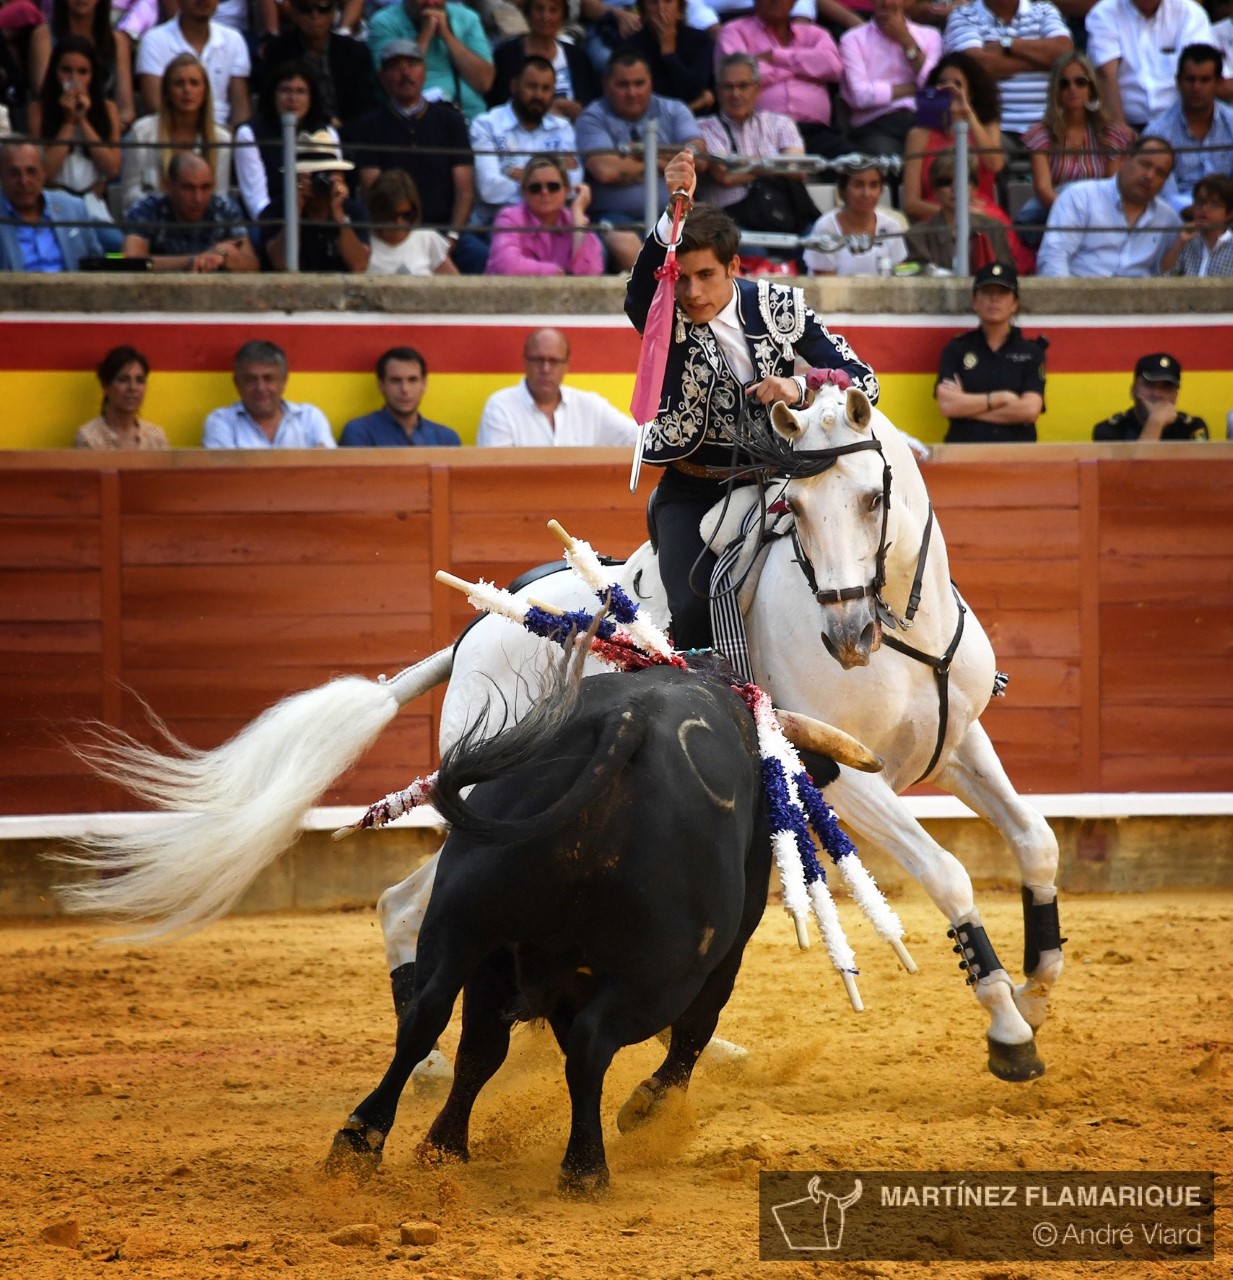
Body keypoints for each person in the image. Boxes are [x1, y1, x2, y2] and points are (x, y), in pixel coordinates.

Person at [624, 149, 879, 650]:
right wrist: (672, 213)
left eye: (706, 277)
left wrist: (803, 388)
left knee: (852, 564)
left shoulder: (779, 306)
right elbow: (639, 290)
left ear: (734, 267)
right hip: (692, 489)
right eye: (683, 279)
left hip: (776, 483)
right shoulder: (663, 316)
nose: (692, 293)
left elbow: (863, 381)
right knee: (691, 605)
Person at [342, 40, 475, 256]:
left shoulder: (451, 121)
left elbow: (465, 190)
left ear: (424, 71)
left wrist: (453, 237)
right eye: (395, 67)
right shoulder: (370, 126)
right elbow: (371, 190)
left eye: (412, 65)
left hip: (445, 231)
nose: (405, 74)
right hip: (394, 232)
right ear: (382, 77)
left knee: (478, 256)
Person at [574, 49, 703, 270]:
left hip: (677, 210)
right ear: (606, 84)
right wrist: (670, 164)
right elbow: (606, 170)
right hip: (616, 218)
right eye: (622, 85)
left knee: (728, 243)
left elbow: (699, 157)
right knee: (626, 245)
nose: (632, 92)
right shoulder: (592, 117)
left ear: (650, 82)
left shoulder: (674, 109)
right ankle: (655, 301)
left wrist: (643, 155)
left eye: (639, 83)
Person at [695, 52, 816, 239]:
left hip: (787, 216)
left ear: (757, 89)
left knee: (822, 239)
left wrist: (745, 166)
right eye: (728, 87)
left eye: (743, 86)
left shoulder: (780, 123)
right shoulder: (703, 127)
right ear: (718, 91)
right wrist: (776, 165)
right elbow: (725, 174)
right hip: (730, 224)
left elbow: (798, 168)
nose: (736, 94)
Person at [1019, 51, 1135, 236]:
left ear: (1091, 88)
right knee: (1070, 191)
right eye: (1064, 84)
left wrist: (1090, 218)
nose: (1072, 89)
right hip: (1055, 216)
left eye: (1080, 82)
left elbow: (1111, 188)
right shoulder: (1041, 134)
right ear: (1056, 91)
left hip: (1099, 217)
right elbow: (1043, 190)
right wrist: (1075, 215)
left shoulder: (1110, 134)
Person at [714, 0, 846, 157]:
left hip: (815, 131)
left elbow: (834, 67)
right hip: (758, 132)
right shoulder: (733, 32)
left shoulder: (815, 33)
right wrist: (806, 68)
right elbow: (739, 76)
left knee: (856, 168)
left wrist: (775, 56)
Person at [1037, 134, 1182, 276]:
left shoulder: (1168, 219)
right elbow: (1053, 256)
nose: (1150, 176)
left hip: (1139, 298)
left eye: (1160, 173)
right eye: (1145, 164)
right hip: (1080, 295)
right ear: (1125, 159)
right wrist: (1065, 299)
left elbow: (1168, 271)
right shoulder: (1081, 196)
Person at [934, 261, 1046, 443]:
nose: (994, 299)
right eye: (987, 292)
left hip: (1018, 455)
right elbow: (947, 406)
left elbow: (1029, 410)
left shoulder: (1031, 352)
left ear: (1015, 303)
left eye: (1002, 293)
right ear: (974, 301)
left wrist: (968, 410)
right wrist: (1000, 398)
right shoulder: (956, 348)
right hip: (963, 454)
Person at [31, 36, 121, 250]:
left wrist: (83, 120)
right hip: (54, 207)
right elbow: (46, 172)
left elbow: (112, 168)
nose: (74, 79)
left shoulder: (108, 110)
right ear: (54, 72)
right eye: (66, 71)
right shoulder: (38, 110)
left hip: (94, 208)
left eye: (83, 72)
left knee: (118, 250)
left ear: (93, 75)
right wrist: (69, 122)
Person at [476, 327, 638, 446]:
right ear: (525, 361)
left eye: (554, 361)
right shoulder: (500, 407)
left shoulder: (589, 406)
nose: (546, 369)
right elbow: (497, 473)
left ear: (566, 365)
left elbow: (636, 437)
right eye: (538, 360)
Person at [470, 54, 580, 224]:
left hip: (549, 225)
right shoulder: (486, 125)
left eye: (546, 88)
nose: (538, 95)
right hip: (494, 225)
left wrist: (515, 173)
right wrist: (550, 182)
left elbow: (573, 187)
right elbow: (489, 189)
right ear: (514, 86)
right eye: (532, 86)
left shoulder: (562, 128)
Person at [941, 0, 1073, 141]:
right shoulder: (963, 15)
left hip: (1048, 128)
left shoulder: (1044, 10)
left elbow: (1065, 52)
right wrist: (1043, 61)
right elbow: (976, 67)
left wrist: (1009, 43)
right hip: (994, 130)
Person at [901, 53, 1007, 223]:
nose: (949, 89)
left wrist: (968, 114)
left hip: (983, 215)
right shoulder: (919, 135)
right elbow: (911, 204)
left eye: (957, 84)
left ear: (971, 92)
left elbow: (995, 165)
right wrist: (956, 212)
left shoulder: (987, 126)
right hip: (936, 219)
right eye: (942, 83)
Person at [121, 53, 232, 213]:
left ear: (205, 91)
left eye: (194, 83)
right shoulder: (142, 132)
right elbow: (129, 196)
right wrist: (170, 209)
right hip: (152, 225)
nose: (187, 90)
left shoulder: (221, 139)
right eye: (179, 83)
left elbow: (220, 197)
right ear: (167, 91)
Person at [1085, 0, 1215, 131]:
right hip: (1127, 123)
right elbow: (1105, 74)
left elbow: (1201, 70)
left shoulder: (1190, 13)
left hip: (1181, 123)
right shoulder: (1103, 13)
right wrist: (1119, 129)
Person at [123, 150, 259, 272]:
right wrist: (193, 260)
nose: (198, 198)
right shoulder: (146, 210)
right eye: (188, 188)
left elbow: (252, 265)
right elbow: (131, 261)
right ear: (168, 186)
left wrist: (224, 255)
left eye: (205, 187)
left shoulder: (225, 209)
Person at [840, 0, 943, 159]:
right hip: (877, 125)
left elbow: (934, 88)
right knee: (884, 161)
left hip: (923, 120)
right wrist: (913, 88)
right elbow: (861, 96)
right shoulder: (852, 39)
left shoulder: (931, 36)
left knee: (943, 162)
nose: (887, 2)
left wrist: (906, 39)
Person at [231, 59, 329, 220]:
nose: (293, 98)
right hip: (271, 222)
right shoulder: (249, 134)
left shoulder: (326, 132)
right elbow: (257, 206)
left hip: (318, 218)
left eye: (301, 91)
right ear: (273, 94)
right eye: (285, 90)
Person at [368, 0, 495, 122]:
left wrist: (447, 35)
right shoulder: (384, 22)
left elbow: (484, 82)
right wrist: (426, 34)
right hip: (417, 121)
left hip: (472, 118)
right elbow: (389, 84)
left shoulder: (468, 18)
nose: (430, 2)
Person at [262, 129, 370, 272]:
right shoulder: (276, 210)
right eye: (313, 176)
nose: (319, 182)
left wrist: (339, 215)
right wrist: (295, 210)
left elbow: (358, 266)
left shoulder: (353, 211)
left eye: (326, 174)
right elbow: (281, 264)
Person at [257, 0, 377, 129]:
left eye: (323, 9)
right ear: (295, 13)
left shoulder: (354, 52)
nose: (315, 15)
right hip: (294, 130)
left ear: (333, 14)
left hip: (348, 134)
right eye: (305, 9)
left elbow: (365, 105)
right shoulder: (278, 51)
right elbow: (269, 104)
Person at [1144, 44, 1233, 213]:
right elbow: (1165, 195)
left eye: (1205, 80)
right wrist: (1198, 212)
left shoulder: (1231, 122)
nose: (1196, 87)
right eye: (1190, 79)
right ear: (1178, 81)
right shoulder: (1158, 132)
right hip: (1179, 218)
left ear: (1219, 82)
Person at [905, 147, 1025, 271]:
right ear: (935, 191)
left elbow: (1007, 274)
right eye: (946, 182)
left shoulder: (994, 229)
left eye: (962, 180)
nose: (955, 188)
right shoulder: (917, 235)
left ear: (974, 188)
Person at [134, 0, 250, 126]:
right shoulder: (154, 40)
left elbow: (241, 109)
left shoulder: (234, 39)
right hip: (170, 133)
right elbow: (154, 106)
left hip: (222, 135)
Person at [203, 340, 335, 448]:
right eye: (251, 379)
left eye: (268, 379)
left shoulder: (309, 418)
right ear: (237, 383)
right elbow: (224, 477)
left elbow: (328, 471)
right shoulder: (221, 421)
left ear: (283, 381)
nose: (260, 388)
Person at [486, 153, 604, 274]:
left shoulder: (574, 219)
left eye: (553, 186)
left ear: (566, 189)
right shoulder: (508, 218)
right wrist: (557, 273)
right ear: (524, 192)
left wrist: (578, 212)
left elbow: (591, 271)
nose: (544, 192)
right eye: (535, 188)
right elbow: (507, 265)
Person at [30, 0, 134, 131]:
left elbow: (126, 109)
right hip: (56, 129)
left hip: (108, 130)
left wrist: (109, 132)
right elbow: (43, 95)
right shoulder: (43, 36)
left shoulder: (118, 41)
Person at [0, 138, 103, 270]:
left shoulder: (74, 208)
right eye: (14, 173)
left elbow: (97, 266)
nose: (24, 181)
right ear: (1, 176)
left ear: (43, 173)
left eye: (31, 172)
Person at [487, 0, 599, 119]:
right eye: (539, 9)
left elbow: (592, 104)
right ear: (528, 13)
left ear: (563, 16)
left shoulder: (577, 56)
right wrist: (547, 109)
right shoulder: (506, 55)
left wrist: (581, 112)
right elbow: (498, 106)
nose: (546, 17)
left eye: (553, 10)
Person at [339, 347, 461, 446]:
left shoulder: (446, 439)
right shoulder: (359, 432)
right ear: (381, 385)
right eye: (395, 381)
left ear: (424, 385)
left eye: (412, 380)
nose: (405, 389)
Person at [804, 162, 909, 275]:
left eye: (873, 185)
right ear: (843, 190)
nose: (866, 194)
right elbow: (825, 287)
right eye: (858, 185)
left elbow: (899, 279)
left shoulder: (891, 227)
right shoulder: (825, 228)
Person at [618, 0, 714, 115]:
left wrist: (669, 53)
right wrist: (693, 105)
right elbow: (645, 99)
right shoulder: (631, 47)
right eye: (653, 3)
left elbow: (694, 90)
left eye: (668, 1)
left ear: (679, 7)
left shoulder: (699, 40)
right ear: (644, 10)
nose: (661, 9)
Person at [1091, 352, 1209, 439]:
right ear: (1133, 390)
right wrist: (1155, 423)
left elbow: (1197, 471)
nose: (1157, 394)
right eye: (1149, 385)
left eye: (1166, 387)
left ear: (1175, 395)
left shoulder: (1192, 428)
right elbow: (1135, 472)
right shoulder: (1109, 431)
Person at [73, 345, 170, 449]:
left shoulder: (155, 437)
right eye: (123, 380)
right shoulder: (89, 438)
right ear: (105, 386)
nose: (133, 387)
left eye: (140, 380)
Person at [365, 168, 459, 275]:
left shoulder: (427, 239)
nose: (399, 222)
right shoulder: (365, 242)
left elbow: (456, 285)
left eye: (406, 215)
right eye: (391, 216)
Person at [1163, 172, 1233, 274]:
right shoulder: (1187, 241)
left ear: (1229, 214)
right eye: (1200, 202)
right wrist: (1180, 242)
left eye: (1214, 204)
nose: (1204, 208)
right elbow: (1163, 276)